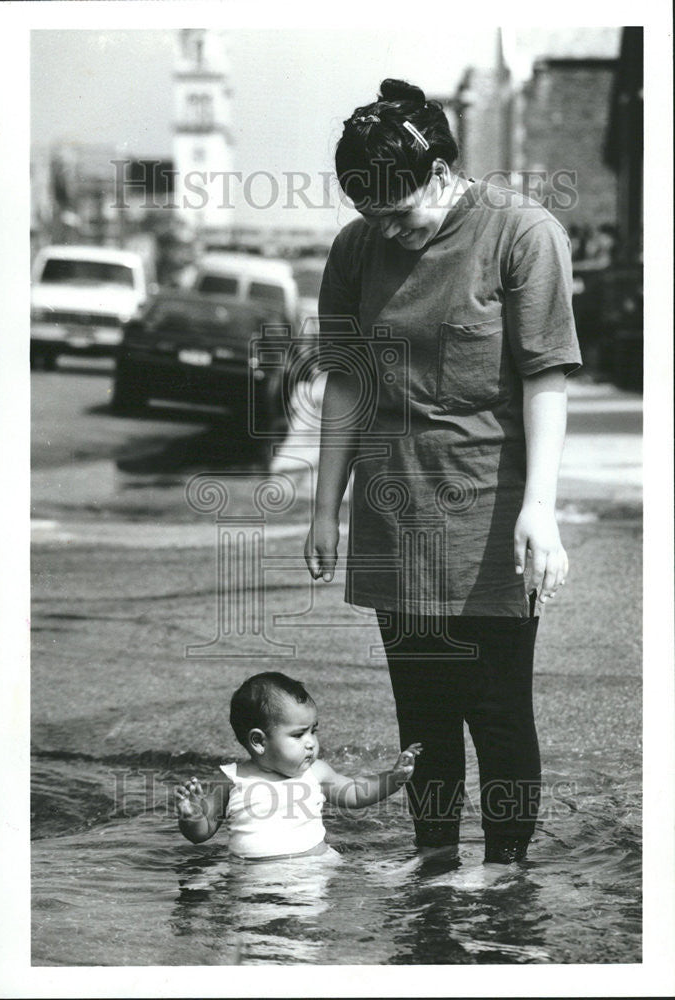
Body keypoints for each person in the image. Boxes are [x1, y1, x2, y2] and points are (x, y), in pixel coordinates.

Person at [304, 79, 582, 864]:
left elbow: (546, 378)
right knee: (421, 715)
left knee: (496, 711)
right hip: (394, 513)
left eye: (399, 212)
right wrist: (325, 506)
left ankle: (505, 873)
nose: (387, 231)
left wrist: (541, 509)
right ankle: (432, 862)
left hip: (491, 513)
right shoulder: (358, 248)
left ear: (441, 172)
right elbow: (348, 380)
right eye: (372, 216)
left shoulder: (522, 234)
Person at [174, 671, 421, 861]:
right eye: (298, 735)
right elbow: (201, 833)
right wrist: (192, 814)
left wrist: (392, 778)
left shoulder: (315, 772)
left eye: (313, 731)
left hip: (313, 871)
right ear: (259, 741)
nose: (311, 743)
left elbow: (357, 792)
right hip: (251, 881)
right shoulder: (232, 780)